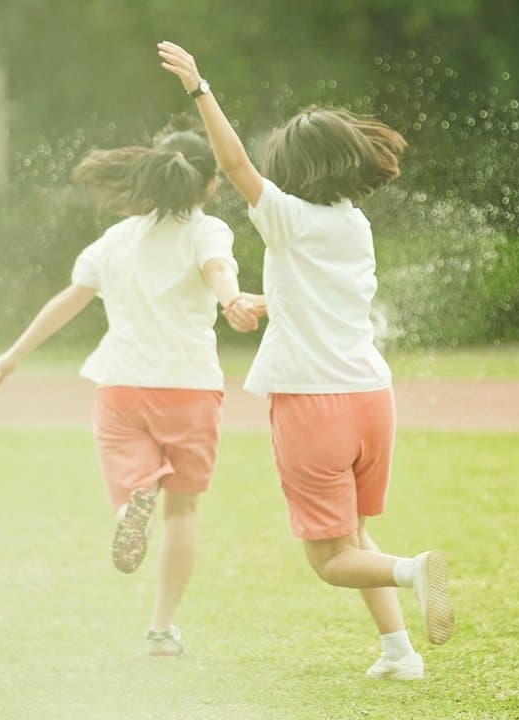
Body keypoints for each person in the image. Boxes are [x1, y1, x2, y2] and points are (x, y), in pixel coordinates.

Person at [158, 41, 454, 680]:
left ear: (294, 167)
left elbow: (233, 164)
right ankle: (399, 654)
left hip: (314, 405)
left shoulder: (286, 218)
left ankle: (413, 571)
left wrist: (200, 89)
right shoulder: (355, 223)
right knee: (356, 537)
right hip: (372, 400)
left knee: (330, 560)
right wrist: (268, 303)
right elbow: (323, 294)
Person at [0, 125, 259, 657]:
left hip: (122, 385)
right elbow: (218, 269)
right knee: (182, 512)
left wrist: (12, 355)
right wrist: (232, 300)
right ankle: (161, 629)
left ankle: (129, 511)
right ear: (211, 184)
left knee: (133, 487)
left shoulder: (115, 239)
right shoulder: (207, 230)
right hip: (190, 387)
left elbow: (69, 300)